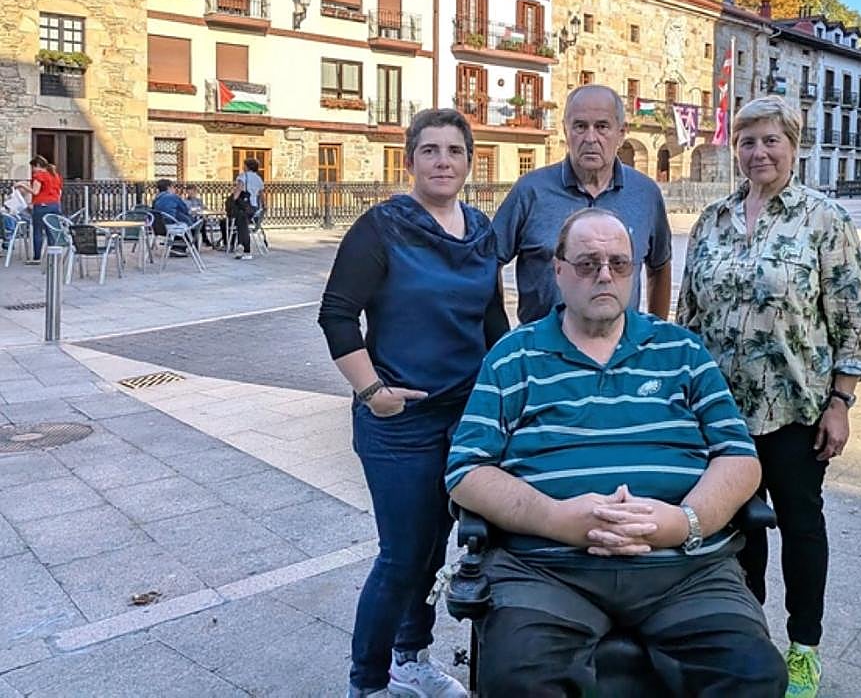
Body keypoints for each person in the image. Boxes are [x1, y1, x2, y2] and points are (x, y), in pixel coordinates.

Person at [446, 207, 788, 698]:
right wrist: (557, 519)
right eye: (587, 263)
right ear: (558, 270)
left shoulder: (683, 352)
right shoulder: (512, 357)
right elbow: (466, 469)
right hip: (547, 568)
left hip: (685, 570)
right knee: (518, 681)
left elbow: (738, 457)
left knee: (754, 676)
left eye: (619, 264)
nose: (605, 274)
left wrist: (684, 522)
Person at [676, 96, 861, 698]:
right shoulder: (712, 218)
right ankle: (746, 634)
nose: (758, 152)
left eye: (770, 141)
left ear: (793, 144)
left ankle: (804, 647)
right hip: (719, 410)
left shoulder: (824, 218)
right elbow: (689, 312)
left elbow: (850, 313)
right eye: (747, 142)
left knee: (799, 521)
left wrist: (842, 399)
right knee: (734, 523)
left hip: (794, 407)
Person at [318, 108, 509, 698]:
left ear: (470, 162)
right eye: (430, 150)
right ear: (410, 161)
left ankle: (409, 660)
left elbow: (493, 321)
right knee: (402, 556)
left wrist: (507, 393)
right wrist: (373, 392)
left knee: (434, 551)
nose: (442, 161)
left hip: (466, 419)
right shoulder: (383, 227)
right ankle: (367, 683)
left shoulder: (481, 231)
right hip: (398, 422)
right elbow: (337, 314)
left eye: (454, 151)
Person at [491, 84, 672, 324]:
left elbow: (659, 266)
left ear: (621, 133)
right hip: (543, 355)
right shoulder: (530, 191)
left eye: (602, 127)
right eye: (580, 126)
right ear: (566, 131)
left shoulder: (646, 194)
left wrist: (652, 336)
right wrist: (497, 328)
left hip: (622, 355)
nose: (590, 138)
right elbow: (489, 261)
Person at [14, 155, 63, 264]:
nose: (32, 170)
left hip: (42, 206)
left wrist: (22, 185)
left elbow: (35, 191)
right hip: (54, 205)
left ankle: (37, 257)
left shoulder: (39, 175)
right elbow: (59, 192)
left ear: (37, 165)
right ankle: (53, 256)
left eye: (33, 167)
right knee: (51, 231)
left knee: (38, 231)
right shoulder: (55, 175)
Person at [230, 157, 265, 260]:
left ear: (247, 166)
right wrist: (263, 207)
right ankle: (240, 245)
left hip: (244, 206)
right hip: (253, 207)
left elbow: (238, 191)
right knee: (242, 224)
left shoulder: (243, 176)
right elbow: (261, 194)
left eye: (244, 165)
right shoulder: (259, 178)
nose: (242, 167)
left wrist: (233, 200)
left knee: (242, 224)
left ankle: (246, 249)